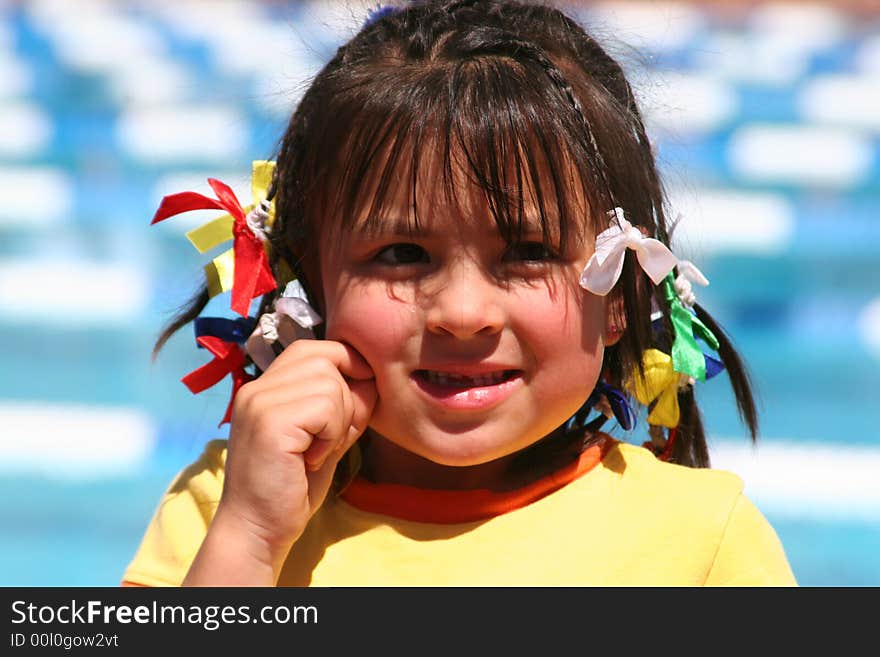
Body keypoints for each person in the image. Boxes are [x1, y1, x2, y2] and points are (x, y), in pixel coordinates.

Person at [123, 0, 796, 586]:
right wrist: (252, 542)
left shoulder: (701, 542)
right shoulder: (225, 506)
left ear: (620, 289)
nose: (463, 313)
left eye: (529, 253)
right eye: (401, 255)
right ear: (307, 279)